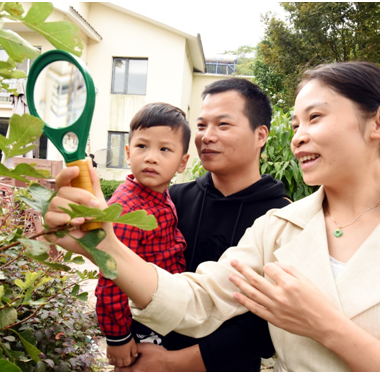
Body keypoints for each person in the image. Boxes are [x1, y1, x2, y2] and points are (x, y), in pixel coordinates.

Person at [46, 61, 380, 371]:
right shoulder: (277, 231)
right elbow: (197, 300)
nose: (298, 135)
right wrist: (104, 244)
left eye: (315, 117)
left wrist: (326, 327)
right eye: (296, 122)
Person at [56, 78, 292, 372]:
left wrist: (173, 363)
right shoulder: (169, 200)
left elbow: (269, 326)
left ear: (261, 135)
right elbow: (118, 267)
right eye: (202, 125)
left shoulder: (282, 217)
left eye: (223, 125)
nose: (207, 136)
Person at [94, 103, 190, 367]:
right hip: (139, 318)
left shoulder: (161, 194)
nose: (151, 157)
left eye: (164, 149)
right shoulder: (127, 208)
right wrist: (118, 337)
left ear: (182, 162)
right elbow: (111, 272)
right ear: (127, 152)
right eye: (142, 146)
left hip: (161, 305)